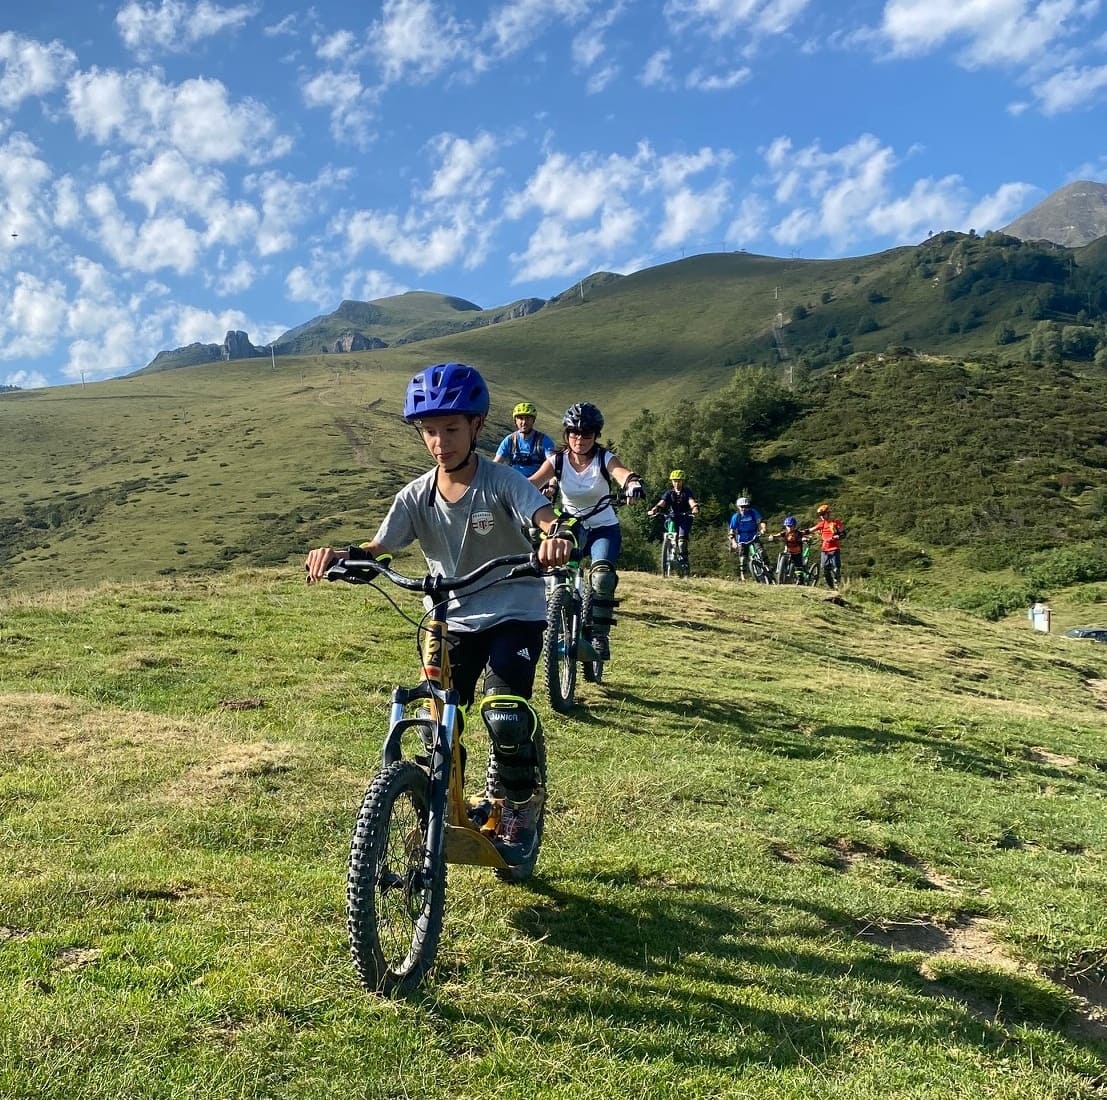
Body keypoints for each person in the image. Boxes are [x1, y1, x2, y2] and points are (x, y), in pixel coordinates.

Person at [305, 363, 574, 857]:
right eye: (429, 431)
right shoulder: (416, 495)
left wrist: (554, 536)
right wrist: (341, 557)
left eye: (451, 429)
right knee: (437, 721)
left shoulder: (501, 481)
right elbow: (381, 547)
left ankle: (519, 805)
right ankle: (445, 811)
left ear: (476, 425)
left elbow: (542, 515)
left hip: (513, 611)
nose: (439, 442)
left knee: (507, 715)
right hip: (449, 617)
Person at [527, 402, 645, 661]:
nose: (580, 439)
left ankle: (600, 636)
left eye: (587, 434)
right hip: (571, 524)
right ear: (566, 434)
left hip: (604, 526)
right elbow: (532, 482)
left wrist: (632, 483)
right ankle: (555, 623)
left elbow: (622, 473)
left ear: (596, 435)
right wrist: (510, 493)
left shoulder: (604, 459)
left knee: (602, 578)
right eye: (574, 433)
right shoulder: (556, 460)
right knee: (556, 571)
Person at [648, 470, 700, 570]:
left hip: (685, 517)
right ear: (672, 482)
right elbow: (662, 502)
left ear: (682, 481)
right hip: (672, 517)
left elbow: (691, 501)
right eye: (674, 481)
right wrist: (655, 509)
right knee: (670, 535)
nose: (676, 483)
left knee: (681, 541)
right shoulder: (669, 493)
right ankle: (668, 552)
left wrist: (695, 508)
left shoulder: (687, 492)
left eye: (678, 481)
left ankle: (684, 560)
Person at [494, 401, 556, 479]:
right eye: (520, 418)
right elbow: (496, 464)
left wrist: (552, 486)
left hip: (537, 485)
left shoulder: (544, 441)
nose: (524, 422)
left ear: (533, 420)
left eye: (528, 418)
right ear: (515, 421)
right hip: (514, 483)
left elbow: (553, 465)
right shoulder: (510, 440)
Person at [806, 501, 846, 588]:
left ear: (828, 513)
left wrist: (837, 536)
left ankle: (838, 585)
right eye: (820, 514)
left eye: (823, 514)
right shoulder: (821, 524)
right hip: (825, 550)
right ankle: (831, 587)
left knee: (836, 569)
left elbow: (843, 534)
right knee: (825, 570)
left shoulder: (836, 522)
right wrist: (800, 533)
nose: (822, 516)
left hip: (834, 548)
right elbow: (811, 530)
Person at [727, 496, 766, 580]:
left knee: (761, 551)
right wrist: (733, 542)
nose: (744, 508)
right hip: (742, 539)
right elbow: (731, 532)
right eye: (741, 507)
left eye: (745, 506)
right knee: (743, 558)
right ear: (738, 507)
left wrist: (763, 528)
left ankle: (767, 566)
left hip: (754, 535)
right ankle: (743, 576)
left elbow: (760, 521)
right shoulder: (736, 517)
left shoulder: (753, 512)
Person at [766, 515, 806, 583]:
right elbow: (779, 535)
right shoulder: (785, 533)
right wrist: (773, 536)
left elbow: (803, 536)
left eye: (791, 526)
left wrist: (804, 539)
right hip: (788, 551)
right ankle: (779, 570)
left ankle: (800, 580)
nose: (789, 528)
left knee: (798, 567)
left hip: (797, 552)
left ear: (794, 526)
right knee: (781, 555)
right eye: (787, 526)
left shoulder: (798, 533)